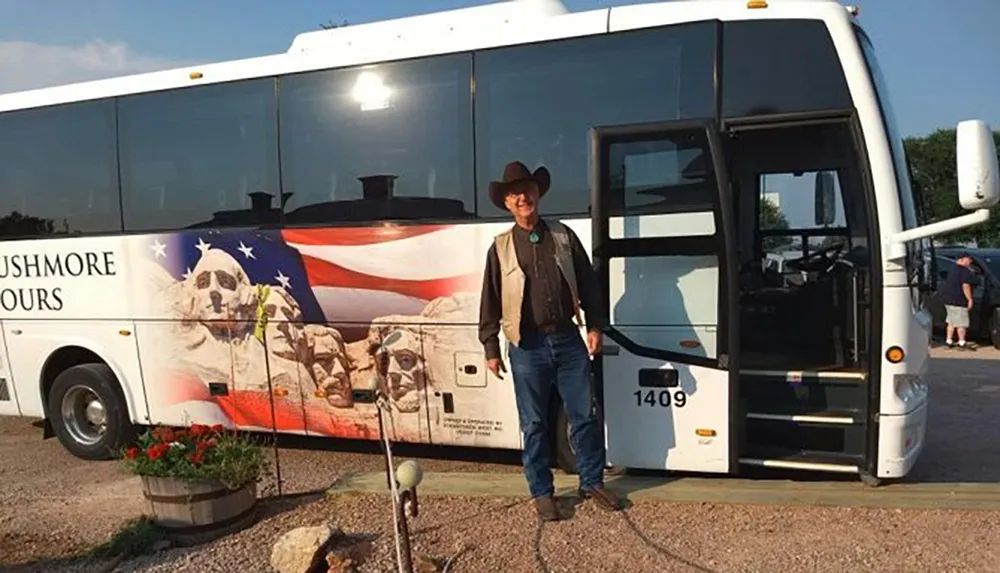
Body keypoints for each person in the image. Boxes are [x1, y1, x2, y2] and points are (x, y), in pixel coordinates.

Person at [477, 160, 624, 521]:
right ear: (508, 203)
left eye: (527, 190)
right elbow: (490, 299)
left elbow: (589, 285)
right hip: (526, 346)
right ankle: (542, 492)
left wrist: (594, 326)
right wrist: (491, 347)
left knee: (585, 415)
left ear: (538, 193)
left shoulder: (563, 235)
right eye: (515, 193)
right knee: (535, 423)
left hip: (568, 340)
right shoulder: (499, 248)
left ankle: (592, 482)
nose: (522, 197)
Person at [940, 252, 977, 350]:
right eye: (969, 259)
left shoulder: (952, 269)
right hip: (959, 300)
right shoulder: (964, 271)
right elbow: (965, 285)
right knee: (962, 323)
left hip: (948, 299)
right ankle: (961, 342)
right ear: (963, 259)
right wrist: (970, 299)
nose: (970, 261)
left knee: (951, 322)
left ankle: (949, 340)